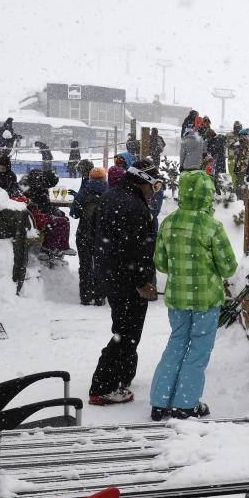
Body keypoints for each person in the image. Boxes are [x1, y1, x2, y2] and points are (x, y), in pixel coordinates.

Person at [149, 170, 237, 420]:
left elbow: (161, 263)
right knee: (198, 348)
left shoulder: (169, 222)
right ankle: (185, 404)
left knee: (176, 343)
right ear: (207, 195)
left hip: (177, 299)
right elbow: (229, 267)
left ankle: (159, 401)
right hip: (205, 300)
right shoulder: (211, 226)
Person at [89, 158, 160, 405]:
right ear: (145, 182)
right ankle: (102, 386)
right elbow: (138, 250)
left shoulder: (111, 196)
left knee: (123, 328)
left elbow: (97, 235)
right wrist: (143, 282)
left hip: (111, 275)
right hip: (128, 280)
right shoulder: (135, 208)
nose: (154, 191)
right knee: (126, 334)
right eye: (155, 185)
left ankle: (122, 375)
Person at [70, 167, 107, 305]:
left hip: (84, 234)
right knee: (101, 266)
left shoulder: (84, 191)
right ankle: (99, 296)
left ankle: (85, 296)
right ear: (104, 178)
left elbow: (74, 214)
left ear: (90, 178)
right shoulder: (109, 192)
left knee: (85, 266)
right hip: (103, 237)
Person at [24, 169, 75, 256]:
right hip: (34, 216)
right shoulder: (36, 188)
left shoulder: (39, 185)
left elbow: (45, 205)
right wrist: (54, 211)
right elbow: (42, 207)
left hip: (36, 214)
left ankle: (61, 246)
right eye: (50, 185)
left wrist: (55, 211)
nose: (49, 187)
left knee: (65, 219)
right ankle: (47, 247)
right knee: (61, 222)